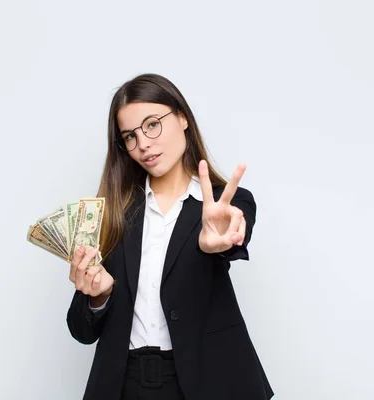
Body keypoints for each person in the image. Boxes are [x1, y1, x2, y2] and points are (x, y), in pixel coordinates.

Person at [66, 73, 274, 400]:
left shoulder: (226, 203)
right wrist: (98, 297)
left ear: (182, 117)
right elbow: (82, 330)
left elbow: (230, 236)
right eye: (130, 136)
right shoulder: (110, 213)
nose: (143, 144)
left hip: (208, 381)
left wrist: (215, 242)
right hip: (125, 384)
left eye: (152, 124)